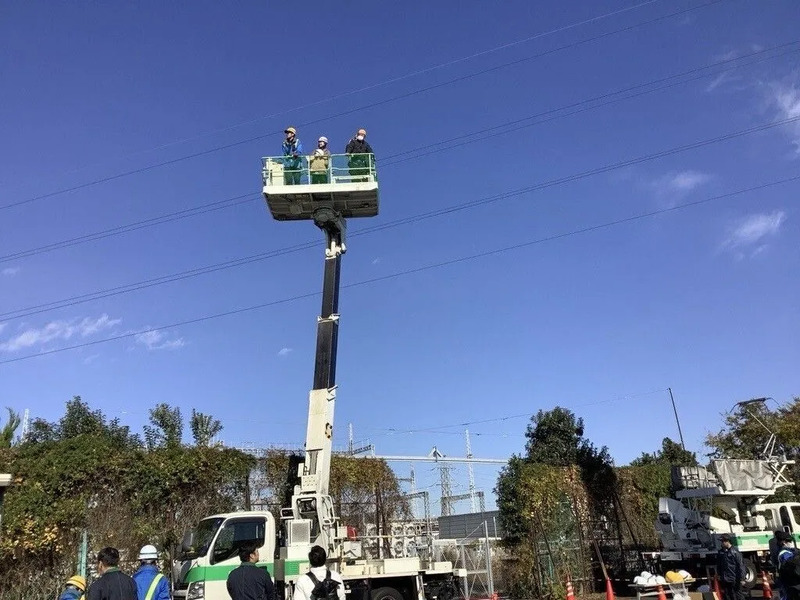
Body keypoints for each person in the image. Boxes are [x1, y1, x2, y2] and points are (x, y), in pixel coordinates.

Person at [716, 534, 746, 600]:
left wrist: (742, 578)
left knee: (738, 596)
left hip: (734, 578)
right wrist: (719, 575)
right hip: (725, 578)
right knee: (727, 595)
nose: (722, 543)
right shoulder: (721, 552)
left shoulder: (735, 552)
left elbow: (741, 565)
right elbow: (719, 565)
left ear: (727, 541)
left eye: (723, 541)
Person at [777, 531, 800, 600]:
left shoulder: (794, 551)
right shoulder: (783, 553)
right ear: (784, 542)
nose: (791, 543)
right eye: (789, 541)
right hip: (789, 582)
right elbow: (792, 564)